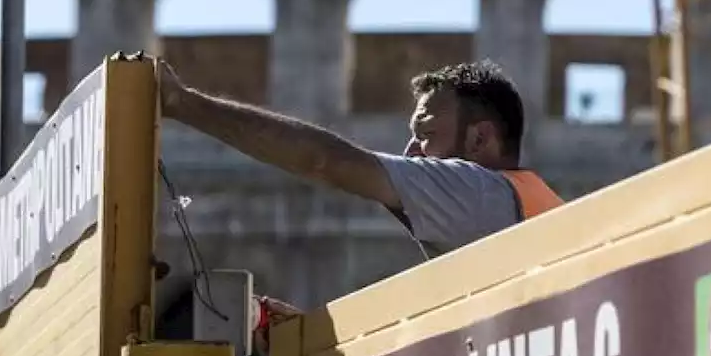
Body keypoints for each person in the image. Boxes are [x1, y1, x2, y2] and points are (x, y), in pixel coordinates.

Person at [158, 58, 564, 259]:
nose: (411, 152)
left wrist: (184, 104)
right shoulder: (530, 202)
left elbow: (324, 162)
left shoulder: (478, 193)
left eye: (426, 135)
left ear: (479, 140)